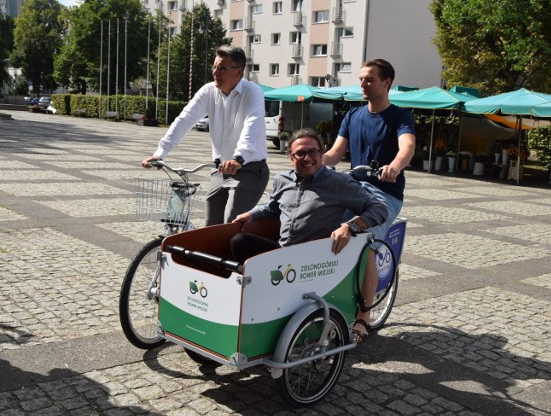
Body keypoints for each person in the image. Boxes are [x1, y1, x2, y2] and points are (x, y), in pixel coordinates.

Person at [231, 129, 389, 343]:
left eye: (313, 152)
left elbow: (379, 209)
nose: (308, 158)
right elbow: (273, 207)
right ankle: (250, 301)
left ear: (321, 154)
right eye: (300, 153)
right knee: (239, 241)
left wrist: (351, 226)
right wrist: (250, 215)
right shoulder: (282, 179)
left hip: (310, 262)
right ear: (290, 156)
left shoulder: (339, 183)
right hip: (283, 253)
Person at [322, 59, 416, 341]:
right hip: (352, 186)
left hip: (384, 193)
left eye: (369, 79)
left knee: (365, 244)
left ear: (386, 83)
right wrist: (315, 162)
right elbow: (336, 152)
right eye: (361, 79)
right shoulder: (353, 116)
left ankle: (363, 317)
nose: (363, 84)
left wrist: (395, 166)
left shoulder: (400, 117)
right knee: (319, 226)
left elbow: (407, 147)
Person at [141, 45, 270, 226]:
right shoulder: (208, 91)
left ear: (238, 71)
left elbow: (253, 124)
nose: (216, 72)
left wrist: (238, 157)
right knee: (211, 227)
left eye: (222, 68)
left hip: (249, 169)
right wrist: (160, 152)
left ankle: (242, 253)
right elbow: (184, 119)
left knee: (231, 224)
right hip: (220, 170)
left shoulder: (252, 91)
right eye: (214, 67)